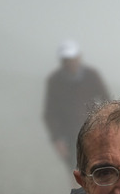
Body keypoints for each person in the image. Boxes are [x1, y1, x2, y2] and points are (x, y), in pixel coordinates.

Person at [43, 39, 110, 169]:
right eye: (66, 59)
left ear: (79, 57)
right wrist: (57, 139)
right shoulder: (55, 81)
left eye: (73, 58)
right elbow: (50, 113)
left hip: (94, 132)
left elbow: (106, 102)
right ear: (61, 61)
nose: (70, 63)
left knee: (100, 168)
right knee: (76, 172)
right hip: (69, 136)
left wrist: (107, 127)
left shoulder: (92, 76)